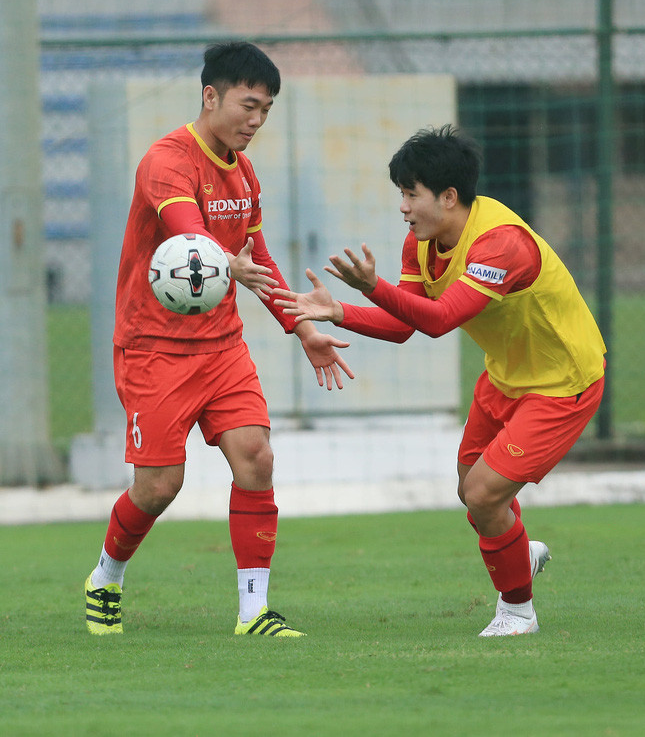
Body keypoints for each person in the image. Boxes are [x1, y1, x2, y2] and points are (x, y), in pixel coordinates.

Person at [274, 124, 606, 637]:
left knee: (483, 494)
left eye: (412, 194)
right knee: (469, 489)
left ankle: (518, 611)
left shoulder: (502, 247)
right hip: (506, 377)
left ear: (449, 197)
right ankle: (521, 554)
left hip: (563, 383)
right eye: (401, 194)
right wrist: (341, 310)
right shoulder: (421, 244)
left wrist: (372, 287)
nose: (403, 207)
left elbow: (440, 319)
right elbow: (407, 326)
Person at [84, 41, 354, 638]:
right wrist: (222, 262)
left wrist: (302, 327)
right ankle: (105, 577)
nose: (256, 121)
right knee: (159, 486)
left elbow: (255, 261)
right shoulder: (167, 160)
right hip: (154, 348)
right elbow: (189, 237)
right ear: (211, 96)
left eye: (266, 110)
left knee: (256, 457)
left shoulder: (244, 170)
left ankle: (253, 612)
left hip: (222, 346)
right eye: (247, 105)